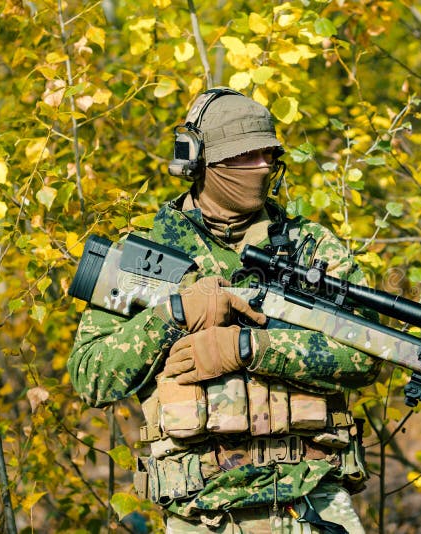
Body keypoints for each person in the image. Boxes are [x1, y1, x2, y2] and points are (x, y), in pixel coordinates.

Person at [68, 88, 382, 533]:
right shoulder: (143, 257)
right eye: (245, 156)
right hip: (201, 510)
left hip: (311, 495)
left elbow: (366, 355)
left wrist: (249, 348)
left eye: (268, 155)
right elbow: (91, 376)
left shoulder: (310, 248)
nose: (262, 167)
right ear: (200, 162)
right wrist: (173, 316)